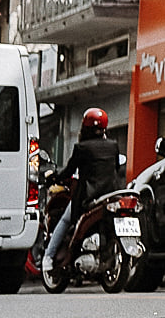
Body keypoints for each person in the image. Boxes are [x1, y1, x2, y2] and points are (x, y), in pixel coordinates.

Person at [43, 107, 123, 274]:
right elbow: (115, 168)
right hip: (111, 195)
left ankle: (48, 257)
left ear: (85, 126)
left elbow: (69, 172)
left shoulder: (82, 147)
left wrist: (54, 177)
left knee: (65, 220)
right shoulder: (113, 145)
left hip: (89, 196)